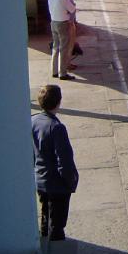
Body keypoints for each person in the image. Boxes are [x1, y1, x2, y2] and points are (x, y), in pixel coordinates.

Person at [32, 84, 79, 241]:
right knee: (57, 225)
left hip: (40, 179)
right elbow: (64, 160)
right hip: (57, 184)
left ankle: (45, 241)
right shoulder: (57, 128)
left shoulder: (33, 121)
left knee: (45, 217)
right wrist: (70, 181)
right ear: (58, 102)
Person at [48, 0, 76, 81]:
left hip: (53, 23)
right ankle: (63, 73)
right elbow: (72, 9)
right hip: (63, 24)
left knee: (55, 47)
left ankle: (54, 71)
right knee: (63, 49)